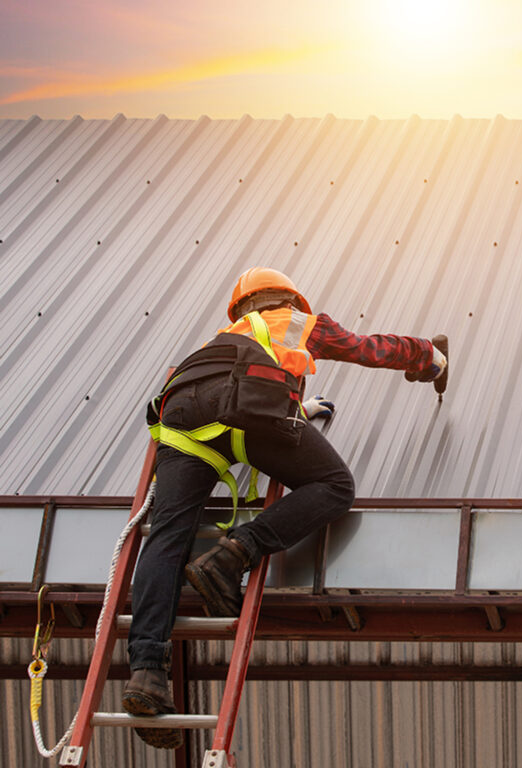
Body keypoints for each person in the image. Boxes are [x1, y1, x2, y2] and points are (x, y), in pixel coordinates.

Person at [121, 267, 447, 749]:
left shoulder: (222, 338)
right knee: (335, 485)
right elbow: (368, 348)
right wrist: (429, 356)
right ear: (291, 299)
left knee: (168, 538)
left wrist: (302, 408)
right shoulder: (298, 322)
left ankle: (146, 674)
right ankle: (235, 553)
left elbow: (233, 385)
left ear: (239, 308)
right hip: (246, 415)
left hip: (183, 419)